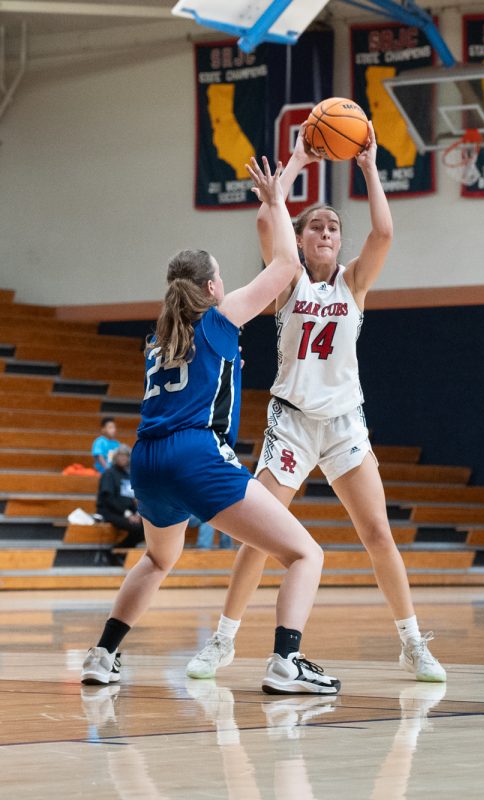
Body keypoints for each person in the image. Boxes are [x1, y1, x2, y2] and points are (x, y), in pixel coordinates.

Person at [185, 126, 444, 684]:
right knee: (260, 534)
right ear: (300, 240)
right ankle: (223, 640)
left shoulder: (355, 283)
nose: (326, 231)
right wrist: (299, 158)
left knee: (378, 534)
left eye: (333, 227)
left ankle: (412, 643)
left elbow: (383, 231)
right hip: (292, 423)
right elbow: (264, 220)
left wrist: (370, 167)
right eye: (316, 226)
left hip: (345, 422)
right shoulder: (287, 282)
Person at [80, 156, 339, 695]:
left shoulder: (158, 338)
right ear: (213, 288)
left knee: (157, 558)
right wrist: (274, 201)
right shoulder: (219, 320)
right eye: (221, 275)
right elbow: (287, 266)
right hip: (195, 453)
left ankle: (103, 654)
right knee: (304, 554)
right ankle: (287, 661)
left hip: (147, 459)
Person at [96, 444, 144, 551]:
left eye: (126, 456)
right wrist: (126, 514)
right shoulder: (109, 474)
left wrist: (137, 514)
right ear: (115, 457)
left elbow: (132, 499)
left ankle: (121, 551)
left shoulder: (128, 476)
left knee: (148, 527)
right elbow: (108, 499)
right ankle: (115, 551)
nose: (123, 458)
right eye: (121, 455)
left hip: (127, 513)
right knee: (137, 528)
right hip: (110, 512)